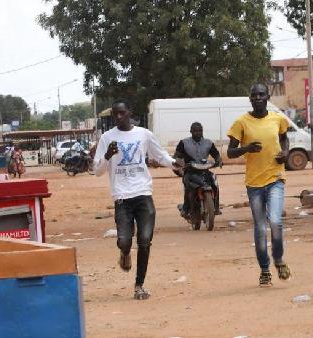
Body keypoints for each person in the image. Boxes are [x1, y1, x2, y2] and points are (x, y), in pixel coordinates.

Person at [93, 99, 182, 300]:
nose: (118, 117)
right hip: (122, 198)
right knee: (124, 241)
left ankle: (139, 285)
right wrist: (107, 156)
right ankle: (125, 254)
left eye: (122, 113)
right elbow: (97, 170)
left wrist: (175, 164)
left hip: (143, 194)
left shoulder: (144, 134)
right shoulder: (107, 138)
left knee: (144, 240)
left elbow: (160, 156)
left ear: (129, 112)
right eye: (115, 114)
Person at [227, 83, 291, 287]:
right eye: (254, 95)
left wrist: (286, 154)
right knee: (261, 228)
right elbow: (230, 152)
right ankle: (264, 270)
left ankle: (279, 260)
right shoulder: (241, 122)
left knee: (275, 221)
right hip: (254, 183)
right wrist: (247, 148)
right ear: (250, 99)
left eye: (261, 95)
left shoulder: (277, 119)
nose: (257, 98)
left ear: (267, 97)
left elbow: (284, 139)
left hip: (275, 178)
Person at [174, 122, 222, 218]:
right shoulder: (184, 143)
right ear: (191, 131)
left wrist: (219, 161)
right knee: (189, 188)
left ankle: (215, 208)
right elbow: (177, 156)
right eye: (195, 131)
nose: (198, 133)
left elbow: (216, 155)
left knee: (215, 184)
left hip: (205, 171)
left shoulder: (208, 143)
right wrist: (178, 165)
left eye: (200, 131)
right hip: (190, 172)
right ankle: (186, 209)